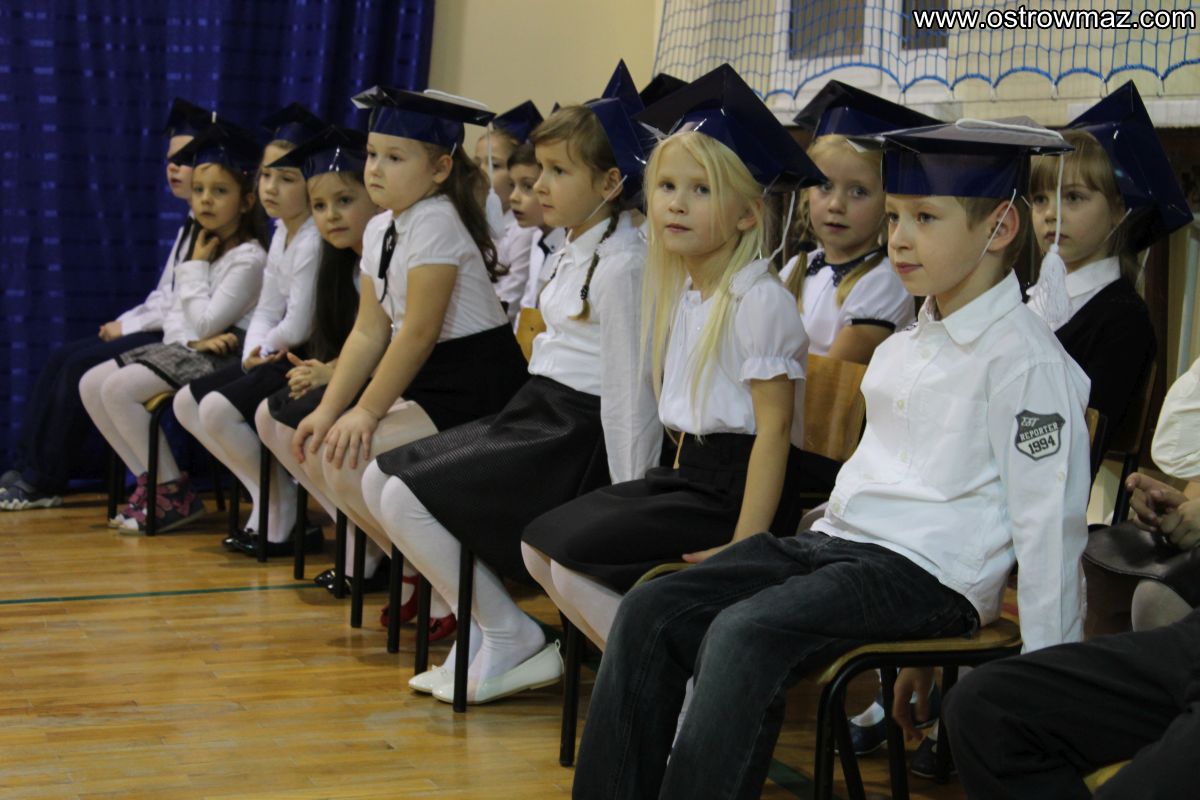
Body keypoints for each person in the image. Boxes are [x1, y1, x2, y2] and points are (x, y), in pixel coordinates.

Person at [570, 108, 1091, 800]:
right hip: (841, 548)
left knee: (744, 634)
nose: (899, 237)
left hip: (923, 574)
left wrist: (1046, 694)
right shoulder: (906, 345)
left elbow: (1050, 534)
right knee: (650, 609)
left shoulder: (1027, 363)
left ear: (999, 228)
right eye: (895, 216)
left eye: (925, 219)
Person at [360, 61, 661, 705]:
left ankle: (509, 634)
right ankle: (483, 631)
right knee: (379, 479)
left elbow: (629, 394)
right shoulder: (575, 245)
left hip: (573, 433)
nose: (538, 186)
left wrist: (631, 495)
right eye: (539, 169)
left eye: (558, 172)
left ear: (611, 183)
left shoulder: (625, 264)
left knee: (406, 497)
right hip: (538, 409)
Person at [521, 64, 821, 649]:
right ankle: (657, 668)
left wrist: (746, 543)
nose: (677, 205)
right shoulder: (687, 290)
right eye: (667, 187)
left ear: (747, 213)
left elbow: (774, 432)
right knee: (539, 544)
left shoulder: (758, 300)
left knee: (573, 558)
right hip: (685, 476)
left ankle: (671, 676)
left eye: (701, 190)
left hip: (736, 493)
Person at [287, 88, 528, 595]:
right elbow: (369, 331)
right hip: (434, 378)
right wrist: (329, 408)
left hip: (478, 384)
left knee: (354, 459)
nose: (375, 169)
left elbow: (417, 333)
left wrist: (366, 411)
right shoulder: (381, 228)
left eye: (394, 158)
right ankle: (426, 578)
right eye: (372, 154)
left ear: (440, 169)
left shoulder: (437, 220)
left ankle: (460, 593)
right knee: (333, 455)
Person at [0, 98, 210, 511]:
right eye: (170, 159)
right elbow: (163, 294)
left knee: (80, 367)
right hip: (164, 325)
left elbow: (183, 306)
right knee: (62, 358)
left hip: (182, 337)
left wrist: (128, 328)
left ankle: (44, 480)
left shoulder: (217, 230)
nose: (174, 168)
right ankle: (26, 466)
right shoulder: (189, 223)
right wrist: (124, 321)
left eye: (186, 160)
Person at [79, 120, 269, 533]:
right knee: (91, 383)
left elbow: (205, 321)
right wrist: (195, 337)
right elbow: (182, 323)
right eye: (199, 190)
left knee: (118, 389)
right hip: (190, 347)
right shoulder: (200, 242)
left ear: (246, 201)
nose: (205, 200)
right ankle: (151, 484)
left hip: (225, 354)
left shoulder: (249, 258)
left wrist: (196, 270)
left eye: (220, 191)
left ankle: (171, 492)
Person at [171, 104, 326, 553]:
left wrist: (266, 348)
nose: (271, 187)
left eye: (287, 178)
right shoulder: (281, 233)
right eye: (266, 176)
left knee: (218, 410)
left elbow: (300, 321)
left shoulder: (313, 239)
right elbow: (268, 308)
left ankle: (283, 507)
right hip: (274, 350)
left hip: (303, 353)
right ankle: (268, 498)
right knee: (186, 402)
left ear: (311, 184)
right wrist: (251, 352)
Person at [1026, 80, 1189, 450]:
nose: (1051, 214)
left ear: (1119, 210)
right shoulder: (1025, 299)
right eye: (1040, 198)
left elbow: (1074, 441)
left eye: (1073, 197)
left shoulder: (1124, 321)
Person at [781, 80, 930, 363]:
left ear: (887, 204)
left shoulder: (884, 281)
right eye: (825, 186)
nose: (836, 205)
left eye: (858, 191)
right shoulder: (795, 268)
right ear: (807, 194)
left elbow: (834, 374)